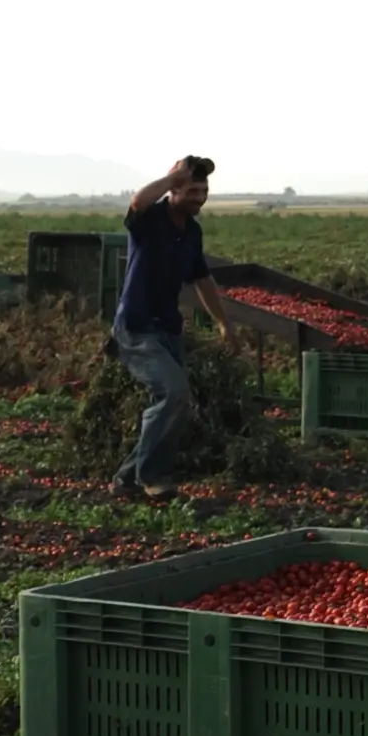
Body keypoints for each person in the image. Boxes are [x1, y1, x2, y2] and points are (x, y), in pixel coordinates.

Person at [110, 155, 232, 500]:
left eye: (204, 190)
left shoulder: (191, 231)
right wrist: (173, 176)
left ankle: (127, 479)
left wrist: (224, 323)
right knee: (173, 393)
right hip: (136, 327)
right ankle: (153, 477)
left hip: (168, 328)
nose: (200, 197)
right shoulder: (150, 219)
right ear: (174, 189)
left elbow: (202, 278)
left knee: (176, 401)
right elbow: (138, 201)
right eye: (192, 190)